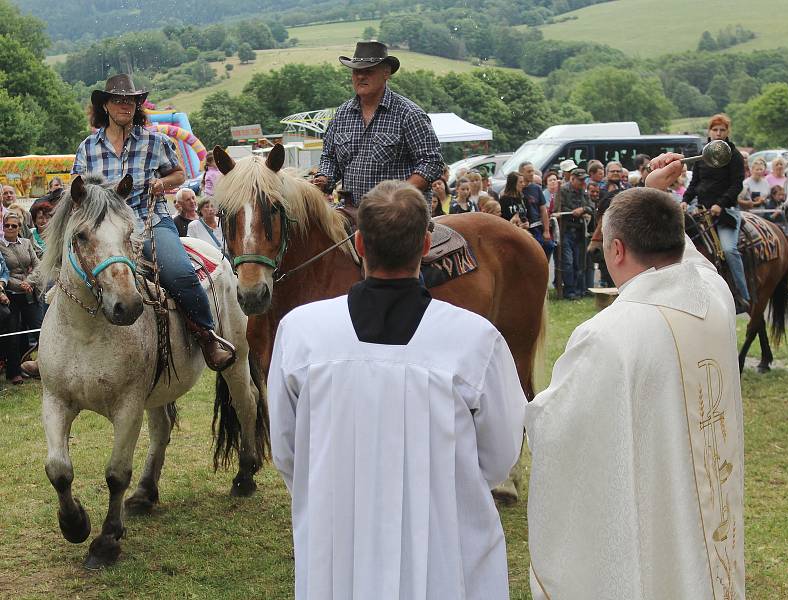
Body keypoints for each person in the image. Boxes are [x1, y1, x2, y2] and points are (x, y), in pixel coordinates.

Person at [268, 179, 526, 600]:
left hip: (339, 537)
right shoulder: (475, 340)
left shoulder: (301, 333)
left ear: (360, 246)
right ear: (427, 246)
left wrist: (339, 484)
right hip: (443, 540)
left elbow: (286, 449)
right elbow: (500, 454)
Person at [526, 153, 744, 600]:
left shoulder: (609, 335)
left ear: (617, 250)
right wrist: (657, 193)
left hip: (655, 525)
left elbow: (558, 428)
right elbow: (689, 259)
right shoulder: (714, 297)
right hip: (710, 529)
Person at [70, 74, 234, 371]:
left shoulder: (155, 141)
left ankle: (207, 336)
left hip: (149, 221)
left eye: (130, 100)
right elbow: (77, 192)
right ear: (105, 105)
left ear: (137, 105)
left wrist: (162, 182)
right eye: (118, 100)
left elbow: (180, 175)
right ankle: (54, 352)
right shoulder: (87, 147)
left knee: (180, 273)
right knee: (61, 278)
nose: (125, 105)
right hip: (105, 229)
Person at [314, 41, 443, 204]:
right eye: (356, 71)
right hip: (352, 209)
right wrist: (324, 178)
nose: (361, 76)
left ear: (386, 73)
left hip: (400, 213)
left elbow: (432, 162)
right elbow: (330, 157)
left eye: (368, 71)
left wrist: (398, 197)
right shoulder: (341, 114)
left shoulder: (409, 114)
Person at [682, 114, 748, 310]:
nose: (718, 133)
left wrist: (721, 204)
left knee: (728, 249)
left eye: (722, 130)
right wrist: (685, 201)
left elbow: (737, 184)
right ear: (709, 132)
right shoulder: (703, 154)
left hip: (726, 212)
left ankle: (743, 296)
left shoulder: (733, 155)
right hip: (701, 210)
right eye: (715, 130)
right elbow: (694, 183)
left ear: (727, 133)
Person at [0, 213, 43, 385]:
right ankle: (14, 372)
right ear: (3, 227)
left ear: (20, 228)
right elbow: (3, 273)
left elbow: (38, 265)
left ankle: (44, 366)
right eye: (7, 225)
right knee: (13, 335)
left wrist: (29, 282)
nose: (10, 228)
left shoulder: (26, 243)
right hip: (10, 295)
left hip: (30, 293)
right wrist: (20, 285)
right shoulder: (0, 246)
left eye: (14, 226)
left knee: (39, 329)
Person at [556, 168, 593, 299]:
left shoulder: (584, 191)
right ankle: (569, 291)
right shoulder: (563, 190)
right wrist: (573, 211)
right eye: (580, 179)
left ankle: (578, 290)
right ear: (572, 179)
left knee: (579, 262)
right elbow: (558, 208)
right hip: (566, 230)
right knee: (568, 262)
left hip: (580, 231)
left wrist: (583, 209)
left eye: (584, 179)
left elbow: (591, 207)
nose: (583, 182)